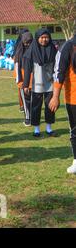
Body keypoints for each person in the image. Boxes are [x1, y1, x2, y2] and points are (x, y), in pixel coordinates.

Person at [49, 31, 76, 174]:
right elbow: (59, 72)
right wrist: (55, 96)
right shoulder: (68, 47)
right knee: (75, 131)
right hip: (73, 98)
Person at [23, 28, 57, 138]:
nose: (44, 40)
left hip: (50, 84)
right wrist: (26, 85)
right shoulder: (32, 51)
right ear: (37, 38)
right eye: (42, 37)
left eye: (46, 37)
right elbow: (27, 69)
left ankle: (49, 128)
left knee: (50, 106)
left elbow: (57, 67)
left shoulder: (53, 49)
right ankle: (36, 129)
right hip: (37, 84)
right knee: (36, 107)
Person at [14, 29, 32, 117]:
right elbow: (17, 65)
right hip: (22, 78)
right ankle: (23, 108)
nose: (28, 45)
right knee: (23, 95)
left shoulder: (33, 50)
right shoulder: (19, 50)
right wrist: (19, 80)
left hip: (33, 81)